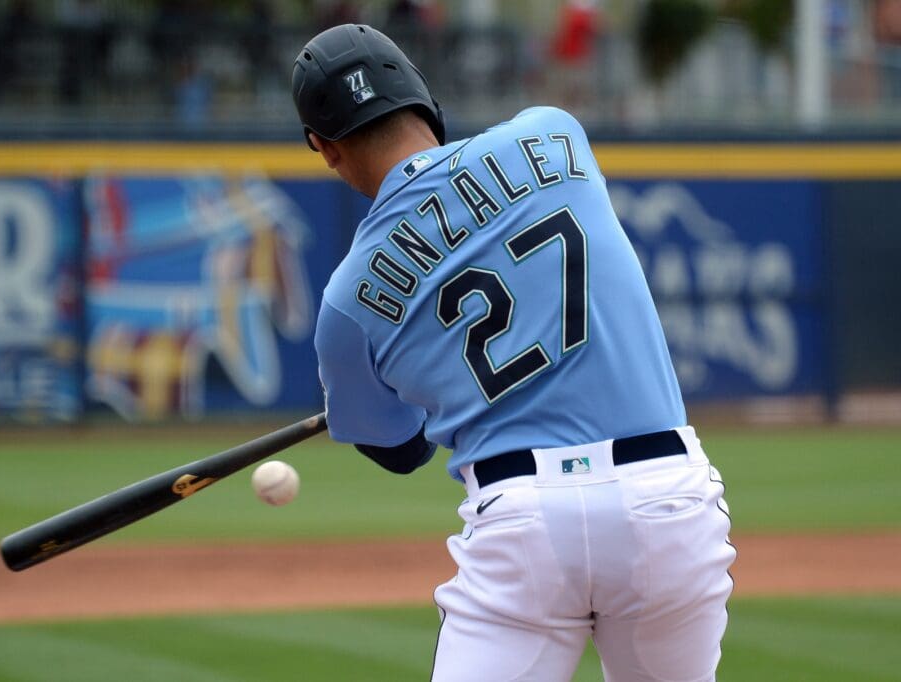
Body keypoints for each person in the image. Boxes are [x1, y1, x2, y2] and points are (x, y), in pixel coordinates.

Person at [291, 24, 735, 682]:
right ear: (420, 97)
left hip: (522, 521)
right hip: (666, 501)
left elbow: (402, 450)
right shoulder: (553, 134)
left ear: (323, 148)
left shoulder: (345, 306)